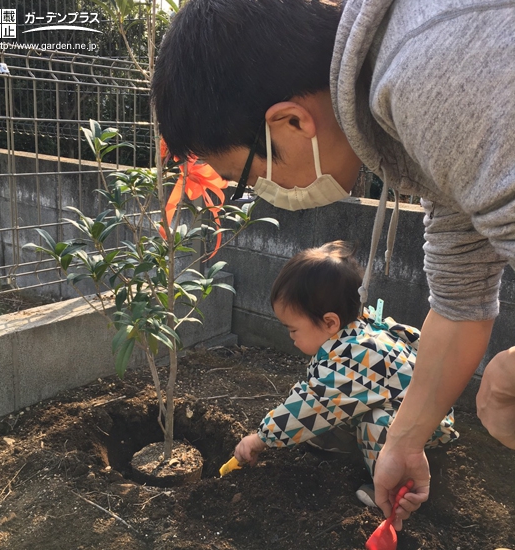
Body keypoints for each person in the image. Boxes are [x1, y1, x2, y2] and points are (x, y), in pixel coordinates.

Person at [152, 0, 515, 530]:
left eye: (249, 178)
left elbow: (316, 401)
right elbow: (460, 302)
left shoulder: (434, 77)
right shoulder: (413, 118)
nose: (263, 195)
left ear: (293, 121)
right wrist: (406, 440)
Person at [233, 241, 459, 510]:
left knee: (377, 421)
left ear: (330, 322)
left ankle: (396, 488)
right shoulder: (352, 336)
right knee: (344, 409)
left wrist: (260, 438)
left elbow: (311, 404)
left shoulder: (354, 356)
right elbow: (318, 392)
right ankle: (349, 444)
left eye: (293, 330)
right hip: (404, 405)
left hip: (422, 425)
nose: (290, 338)